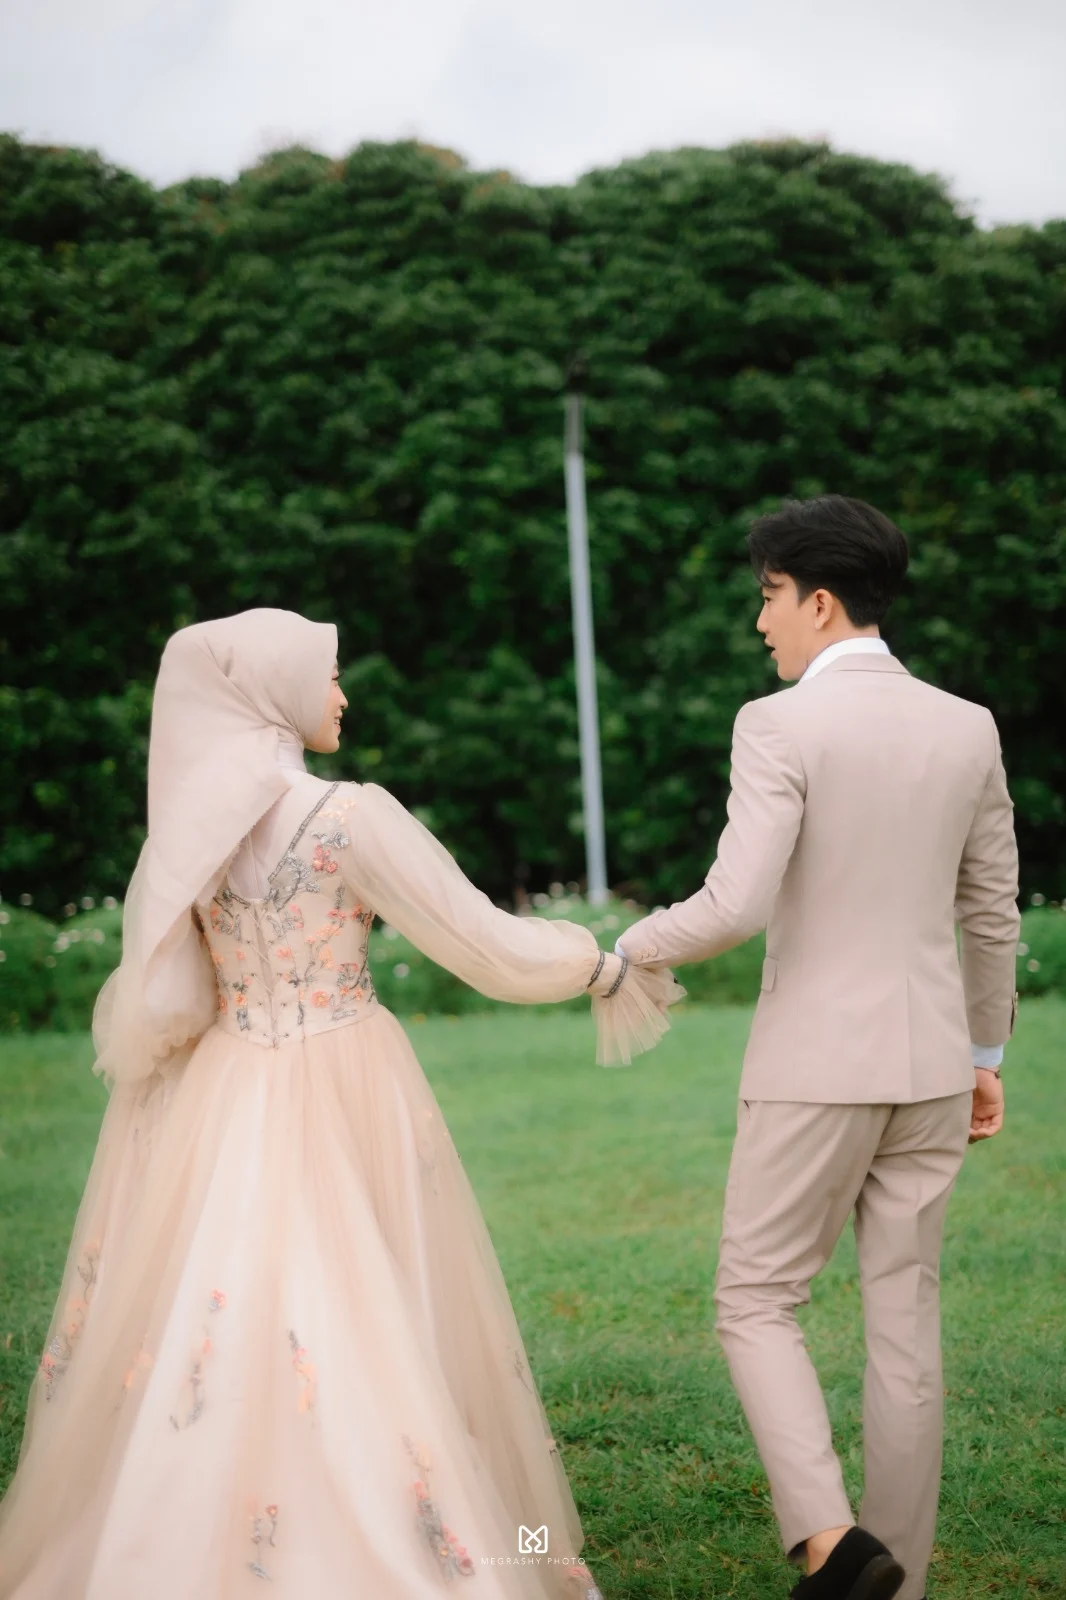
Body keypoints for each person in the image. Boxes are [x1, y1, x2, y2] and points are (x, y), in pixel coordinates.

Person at [0, 609, 682, 1600]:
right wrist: (596, 965)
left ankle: (188, 1525)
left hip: (230, 1082)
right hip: (346, 1067)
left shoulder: (188, 828)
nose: (342, 695)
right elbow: (473, 934)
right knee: (357, 1279)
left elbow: (170, 992)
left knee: (233, 1282)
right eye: (327, 676)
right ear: (274, 689)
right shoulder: (349, 816)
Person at [616, 496, 1020, 1600]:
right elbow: (992, 912)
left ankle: (832, 1547)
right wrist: (985, 1051)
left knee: (754, 1298)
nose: (762, 623)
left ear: (821, 601)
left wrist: (627, 947)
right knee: (906, 1322)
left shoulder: (777, 724)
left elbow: (733, 904)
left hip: (815, 1067)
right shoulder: (969, 726)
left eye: (769, 596)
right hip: (933, 1066)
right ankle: (900, 1579)